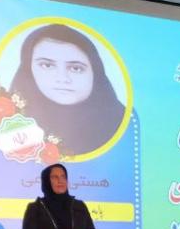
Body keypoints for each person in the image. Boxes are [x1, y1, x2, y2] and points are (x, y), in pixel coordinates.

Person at [9, 23, 126, 155]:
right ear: (28, 70)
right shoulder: (7, 121)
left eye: (76, 68)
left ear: (95, 72)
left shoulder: (124, 122)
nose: (63, 78)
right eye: (47, 65)